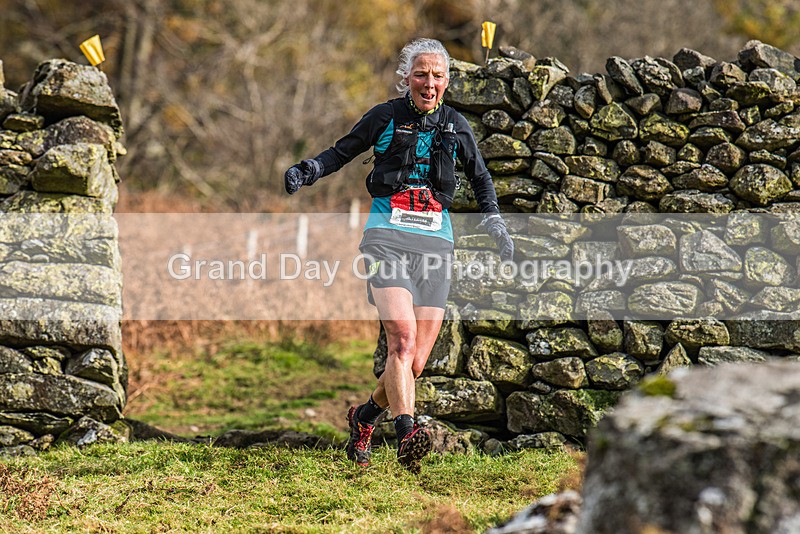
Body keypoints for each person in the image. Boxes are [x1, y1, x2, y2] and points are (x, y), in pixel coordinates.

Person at [284, 38, 513, 474]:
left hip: (435, 243)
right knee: (401, 340)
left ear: (447, 81)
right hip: (386, 236)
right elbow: (342, 151)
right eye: (421, 74)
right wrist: (308, 170)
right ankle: (408, 432)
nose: (430, 83)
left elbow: (482, 181)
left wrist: (495, 221)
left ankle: (364, 417)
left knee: (416, 362)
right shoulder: (385, 116)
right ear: (406, 77)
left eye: (438, 75)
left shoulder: (457, 125)